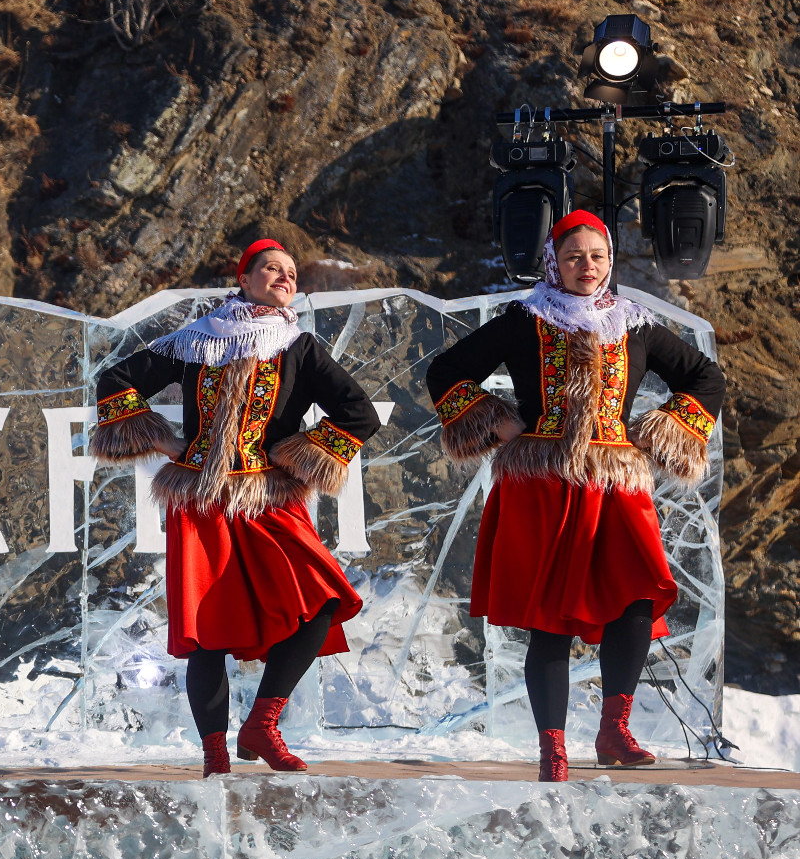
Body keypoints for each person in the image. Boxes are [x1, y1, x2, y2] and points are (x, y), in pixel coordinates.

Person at [426, 209, 726, 781]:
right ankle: (553, 750)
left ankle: (615, 730)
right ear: (553, 264)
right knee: (551, 619)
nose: (586, 266)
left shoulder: (634, 323)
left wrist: (656, 433)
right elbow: (446, 372)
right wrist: (502, 424)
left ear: (610, 260)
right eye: (573, 257)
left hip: (615, 487)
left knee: (638, 599)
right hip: (544, 488)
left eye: (597, 256)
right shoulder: (526, 319)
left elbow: (706, 378)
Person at [92, 239, 380, 776]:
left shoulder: (299, 347)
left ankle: (262, 724)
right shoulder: (196, 341)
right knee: (208, 634)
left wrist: (295, 455)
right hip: (202, 502)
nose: (284, 276)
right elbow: (114, 380)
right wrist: (167, 442)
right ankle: (215, 757)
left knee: (322, 600)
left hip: (270, 500)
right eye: (271, 268)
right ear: (243, 279)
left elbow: (359, 412)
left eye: (291, 271)